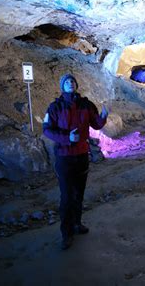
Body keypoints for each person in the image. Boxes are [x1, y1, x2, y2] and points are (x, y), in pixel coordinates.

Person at [43, 73, 108, 250]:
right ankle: (67, 233)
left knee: (79, 193)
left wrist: (103, 116)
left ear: (76, 84)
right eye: (66, 82)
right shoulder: (55, 107)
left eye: (72, 81)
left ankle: (77, 224)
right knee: (67, 197)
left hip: (81, 155)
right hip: (64, 157)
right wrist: (67, 138)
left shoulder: (85, 105)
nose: (70, 83)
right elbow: (47, 130)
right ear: (62, 86)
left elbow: (96, 124)